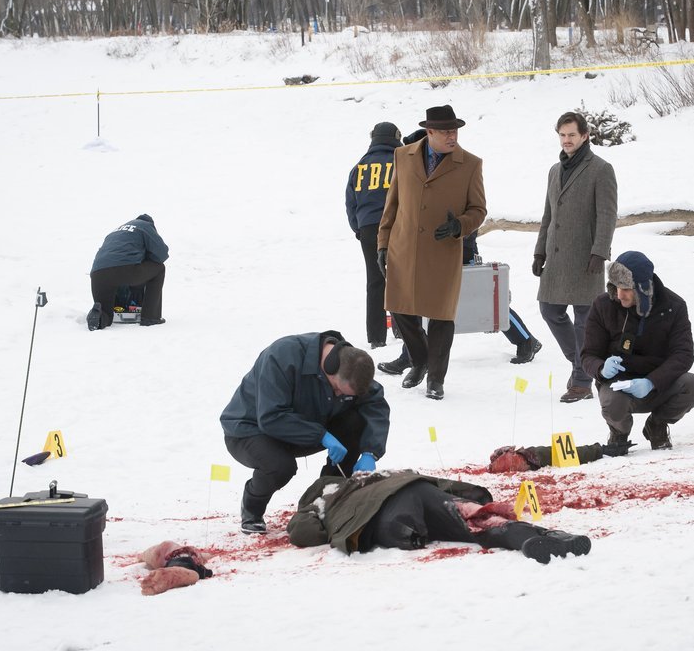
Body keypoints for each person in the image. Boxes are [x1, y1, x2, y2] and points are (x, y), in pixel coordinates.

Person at [220, 331, 390, 534]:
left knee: (355, 421)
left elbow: (376, 405)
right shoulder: (281, 356)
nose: (338, 395)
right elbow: (271, 417)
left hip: (309, 425)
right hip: (251, 429)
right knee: (280, 466)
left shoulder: (354, 367)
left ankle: (331, 496)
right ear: (329, 367)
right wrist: (321, 436)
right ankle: (252, 508)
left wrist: (370, 452)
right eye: (337, 390)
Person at [377, 105, 487, 400]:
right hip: (403, 247)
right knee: (399, 307)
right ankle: (420, 359)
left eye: (455, 131)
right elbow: (393, 204)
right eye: (446, 131)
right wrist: (383, 244)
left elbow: (479, 210)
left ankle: (435, 378)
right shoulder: (404, 156)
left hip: (442, 251)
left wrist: (458, 226)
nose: (453, 136)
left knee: (441, 317)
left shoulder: (470, 164)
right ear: (430, 132)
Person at [286, 470, 591, 565]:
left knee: (465, 528)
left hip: (389, 518)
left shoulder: (322, 497)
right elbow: (427, 481)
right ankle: (537, 535)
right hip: (414, 492)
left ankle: (533, 539)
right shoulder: (374, 475)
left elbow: (305, 533)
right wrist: (471, 496)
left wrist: (317, 516)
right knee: (474, 523)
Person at [581, 251, 694, 454]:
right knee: (614, 405)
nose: (619, 295)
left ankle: (656, 425)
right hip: (618, 384)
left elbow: (683, 354)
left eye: (625, 289)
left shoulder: (674, 306)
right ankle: (618, 432)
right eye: (616, 288)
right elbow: (588, 355)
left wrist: (652, 381)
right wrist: (602, 368)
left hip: (659, 383)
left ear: (642, 287)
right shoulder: (603, 305)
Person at [533, 112, 618, 403]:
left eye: (572, 135)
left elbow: (607, 215)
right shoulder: (555, 170)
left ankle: (582, 381)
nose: (567, 140)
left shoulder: (601, 169)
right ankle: (581, 365)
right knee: (549, 310)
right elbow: (548, 215)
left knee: (584, 320)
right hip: (556, 258)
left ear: (585, 136)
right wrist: (539, 251)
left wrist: (600, 252)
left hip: (586, 256)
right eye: (562, 135)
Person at [377, 230, 542, 375]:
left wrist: (460, 236)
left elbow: (475, 211)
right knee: (423, 300)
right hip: (432, 249)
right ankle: (411, 355)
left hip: (460, 248)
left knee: (484, 302)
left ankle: (526, 341)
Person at [346, 122, 402, 349]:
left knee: (375, 280)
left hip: (368, 226)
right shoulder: (400, 162)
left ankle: (376, 337)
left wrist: (358, 228)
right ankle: (402, 329)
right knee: (400, 278)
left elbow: (351, 203)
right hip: (397, 225)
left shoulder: (359, 167)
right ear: (396, 137)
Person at [87, 214, 169, 330]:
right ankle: (150, 317)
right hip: (123, 270)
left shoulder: (115, 232)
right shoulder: (145, 226)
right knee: (159, 268)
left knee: (105, 314)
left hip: (98, 275)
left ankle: (98, 317)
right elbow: (162, 254)